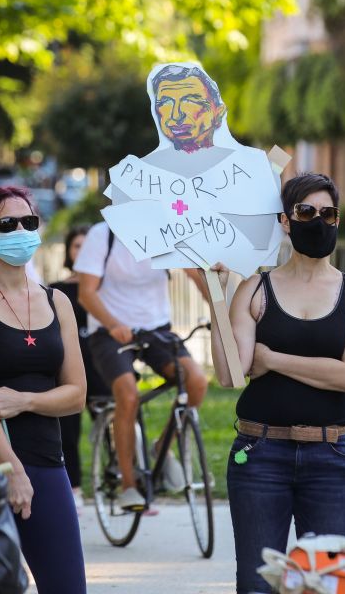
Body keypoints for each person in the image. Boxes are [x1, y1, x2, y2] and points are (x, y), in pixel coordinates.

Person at [212, 173, 345, 594]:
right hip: (260, 454)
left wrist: (271, 359)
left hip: (332, 456)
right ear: (285, 221)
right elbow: (231, 374)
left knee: (324, 585)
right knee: (257, 585)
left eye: (328, 213)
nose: (318, 222)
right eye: (306, 212)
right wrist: (217, 296)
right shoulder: (255, 288)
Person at [0, 186, 87, 594]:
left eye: (29, 222)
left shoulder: (57, 302)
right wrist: (12, 468)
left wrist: (25, 401)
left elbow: (76, 394)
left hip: (47, 460)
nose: (21, 230)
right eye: (8, 224)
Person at [75, 219, 209, 512]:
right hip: (109, 332)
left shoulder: (167, 230)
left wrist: (216, 300)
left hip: (156, 329)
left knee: (196, 381)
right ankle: (128, 486)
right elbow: (86, 293)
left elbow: (197, 278)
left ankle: (162, 446)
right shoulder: (102, 235)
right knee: (128, 394)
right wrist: (113, 325)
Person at [50, 225, 109, 507]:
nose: (82, 251)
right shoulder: (56, 291)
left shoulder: (106, 289)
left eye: (87, 245)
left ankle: (121, 482)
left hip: (100, 367)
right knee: (68, 431)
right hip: (69, 367)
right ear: (68, 251)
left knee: (112, 424)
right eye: (77, 246)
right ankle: (73, 487)